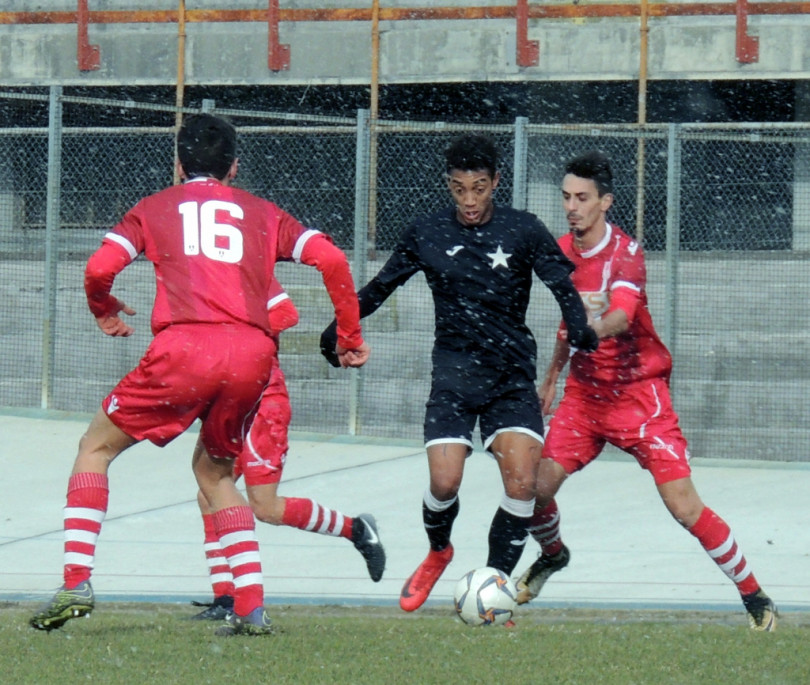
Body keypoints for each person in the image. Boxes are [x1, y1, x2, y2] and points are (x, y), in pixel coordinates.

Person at [29, 113, 369, 637]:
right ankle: (251, 607)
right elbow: (331, 260)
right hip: (251, 357)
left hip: (185, 348)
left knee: (95, 449)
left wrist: (103, 307)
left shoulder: (153, 209)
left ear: (178, 162)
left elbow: (99, 268)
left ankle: (76, 581)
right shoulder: (263, 213)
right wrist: (349, 338)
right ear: (234, 166)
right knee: (215, 475)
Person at [321, 133, 598, 613]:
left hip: (510, 377)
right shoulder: (427, 232)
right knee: (445, 483)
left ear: (495, 183)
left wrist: (579, 328)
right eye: (458, 189)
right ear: (448, 186)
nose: (469, 200)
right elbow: (379, 287)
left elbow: (561, 284)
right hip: (453, 376)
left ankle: (495, 591)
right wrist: (337, 330)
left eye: (479, 187)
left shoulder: (524, 229)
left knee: (521, 487)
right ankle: (438, 551)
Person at [514, 150, 777, 632]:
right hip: (584, 398)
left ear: (605, 202)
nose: (572, 207)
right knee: (531, 490)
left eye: (582, 198)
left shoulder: (626, 254)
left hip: (639, 396)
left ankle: (754, 595)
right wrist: (551, 379)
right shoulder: (559, 251)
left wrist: (592, 332)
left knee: (684, 507)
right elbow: (566, 324)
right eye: (566, 197)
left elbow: (622, 314)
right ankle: (553, 555)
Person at [190, 278, 385, 622]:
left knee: (264, 507)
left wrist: (232, 332)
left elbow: (285, 313)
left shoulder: (244, 269)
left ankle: (355, 529)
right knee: (208, 492)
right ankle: (225, 599)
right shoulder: (200, 274)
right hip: (227, 399)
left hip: (262, 403)